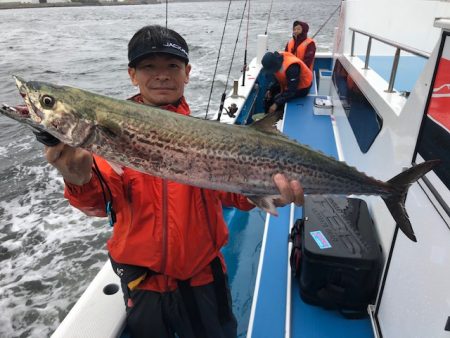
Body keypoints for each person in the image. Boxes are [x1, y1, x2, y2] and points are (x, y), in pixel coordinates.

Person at [43, 25, 305, 338]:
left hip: (204, 278)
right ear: (132, 75)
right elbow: (100, 204)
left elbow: (235, 195)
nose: (162, 75)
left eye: (172, 66)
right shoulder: (110, 140)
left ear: (187, 73)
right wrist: (76, 177)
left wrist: (272, 194)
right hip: (143, 283)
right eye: (148, 67)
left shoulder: (208, 136)